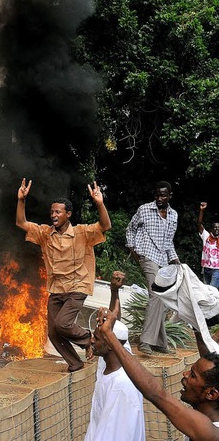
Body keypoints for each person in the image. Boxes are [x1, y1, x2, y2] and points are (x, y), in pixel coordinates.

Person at [15, 178, 111, 372]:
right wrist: (21, 200)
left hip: (77, 286)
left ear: (68, 214)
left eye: (58, 212)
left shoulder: (82, 233)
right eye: (52, 212)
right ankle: (75, 363)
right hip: (56, 289)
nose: (53, 215)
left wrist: (99, 203)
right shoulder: (44, 233)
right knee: (53, 332)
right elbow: (21, 223)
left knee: (62, 324)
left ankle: (88, 340)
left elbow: (104, 225)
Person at [96, 305, 219, 441]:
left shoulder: (208, 432)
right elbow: (209, 364)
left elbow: (156, 393)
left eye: (193, 376)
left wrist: (110, 336)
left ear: (211, 394)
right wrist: (196, 320)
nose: (185, 374)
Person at [85, 271, 145, 441]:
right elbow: (114, 325)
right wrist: (114, 292)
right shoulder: (111, 361)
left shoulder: (121, 387)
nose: (91, 340)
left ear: (111, 344)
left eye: (96, 338)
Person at [126, 180, 180, 355]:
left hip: (163, 260)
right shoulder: (144, 210)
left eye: (163, 195)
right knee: (156, 294)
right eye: (157, 195)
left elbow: (168, 243)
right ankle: (146, 342)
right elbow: (130, 229)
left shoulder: (173, 215)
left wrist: (176, 260)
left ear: (169, 196)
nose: (159, 198)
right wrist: (133, 248)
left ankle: (160, 342)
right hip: (147, 255)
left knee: (162, 299)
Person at [198, 202, 219, 288]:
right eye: (215, 227)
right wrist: (201, 211)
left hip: (217, 270)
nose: (217, 229)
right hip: (206, 268)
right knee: (206, 291)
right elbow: (199, 224)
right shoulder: (206, 236)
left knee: (212, 290)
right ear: (211, 229)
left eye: (218, 228)